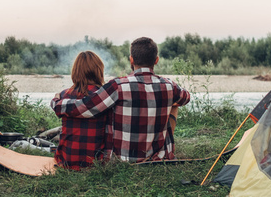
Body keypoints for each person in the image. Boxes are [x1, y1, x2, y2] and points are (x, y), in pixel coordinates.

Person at [51, 37, 190, 162]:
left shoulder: (117, 86)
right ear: (156, 60)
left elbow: (85, 108)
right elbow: (186, 97)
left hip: (123, 159)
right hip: (159, 158)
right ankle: (162, 150)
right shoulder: (169, 85)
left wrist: (57, 103)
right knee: (175, 103)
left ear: (131, 59)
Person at [53, 51, 109, 170]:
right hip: (95, 162)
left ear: (75, 72)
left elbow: (56, 104)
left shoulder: (64, 95)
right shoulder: (104, 96)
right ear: (99, 71)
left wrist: (55, 99)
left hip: (66, 161)